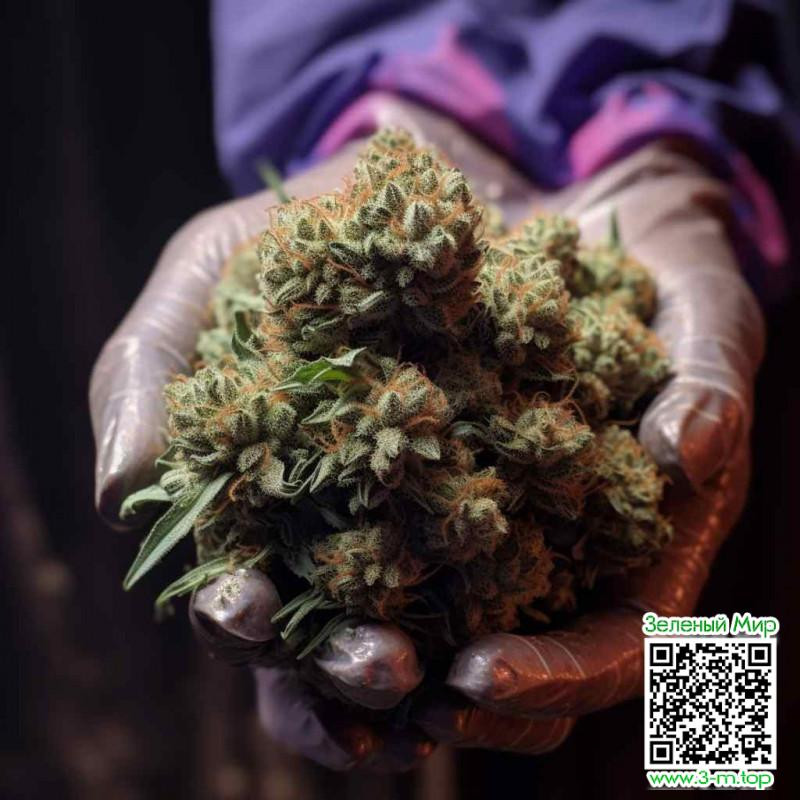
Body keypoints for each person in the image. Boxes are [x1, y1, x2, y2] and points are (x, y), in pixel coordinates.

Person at [90, 0, 789, 773]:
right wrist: (387, 92)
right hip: (304, 121)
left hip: (746, 311)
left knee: (711, 720)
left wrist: (682, 142)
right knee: (344, 704)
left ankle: (716, 766)